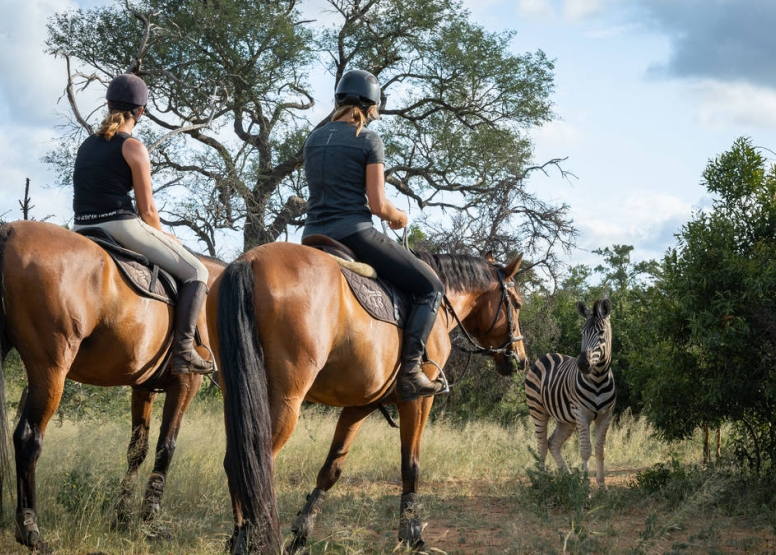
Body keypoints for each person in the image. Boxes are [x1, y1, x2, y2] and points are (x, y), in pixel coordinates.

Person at [302, 69, 446, 402]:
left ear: (339, 100)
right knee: (431, 288)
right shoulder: (367, 140)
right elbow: (378, 204)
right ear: (371, 107)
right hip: (354, 235)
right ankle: (411, 371)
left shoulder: (314, 138)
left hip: (312, 235)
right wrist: (399, 216)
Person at [72, 73, 214, 375]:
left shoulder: (86, 145)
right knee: (197, 271)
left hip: (81, 229)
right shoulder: (133, 146)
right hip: (119, 226)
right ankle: (184, 351)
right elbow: (148, 211)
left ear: (108, 104)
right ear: (141, 112)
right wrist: (164, 238)